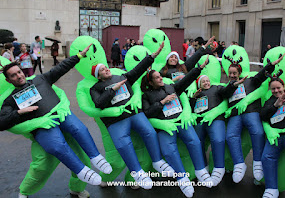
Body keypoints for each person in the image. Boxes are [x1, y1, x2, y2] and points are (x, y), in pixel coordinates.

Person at [0, 44, 112, 186]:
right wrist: (18, 113)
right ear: (8, 80)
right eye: (13, 75)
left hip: (60, 113)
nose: (18, 76)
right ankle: (82, 171)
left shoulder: (39, 79)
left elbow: (60, 68)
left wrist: (78, 56)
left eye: (19, 72)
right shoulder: (10, 100)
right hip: (43, 125)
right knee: (57, 146)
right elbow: (2, 122)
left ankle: (97, 157)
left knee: (80, 129)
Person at [90, 42, 175, 189]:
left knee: (149, 132)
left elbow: (138, 69)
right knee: (123, 144)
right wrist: (112, 90)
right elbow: (98, 103)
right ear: (98, 76)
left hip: (134, 114)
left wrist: (152, 56)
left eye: (106, 67)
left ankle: (157, 161)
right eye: (102, 70)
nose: (106, 70)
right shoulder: (95, 88)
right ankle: (138, 172)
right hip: (115, 120)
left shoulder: (121, 76)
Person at [142, 56, 214, 198]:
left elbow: (186, 81)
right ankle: (182, 179)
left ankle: (201, 171)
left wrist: (198, 69)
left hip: (180, 120)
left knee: (194, 141)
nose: (160, 79)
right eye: (157, 78)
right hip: (166, 126)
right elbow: (147, 113)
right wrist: (162, 102)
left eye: (159, 76)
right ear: (150, 82)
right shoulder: (146, 96)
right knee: (169, 150)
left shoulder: (171, 87)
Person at [225, 55, 283, 183]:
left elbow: (262, 75)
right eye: (230, 73)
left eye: (234, 73)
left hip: (251, 111)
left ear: (240, 73)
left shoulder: (250, 80)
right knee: (230, 135)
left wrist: (271, 65)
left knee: (257, 132)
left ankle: (257, 162)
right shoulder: (227, 86)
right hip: (235, 115)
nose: (232, 75)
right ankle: (239, 164)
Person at [191, 74, 247, 186]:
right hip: (200, 120)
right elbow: (191, 107)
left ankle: (219, 167)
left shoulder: (216, 88)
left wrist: (233, 85)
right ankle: (203, 167)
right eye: (203, 82)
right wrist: (193, 98)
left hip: (215, 118)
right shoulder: (197, 94)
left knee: (218, 140)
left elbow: (226, 92)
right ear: (199, 85)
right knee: (197, 143)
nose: (206, 83)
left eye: (207, 81)